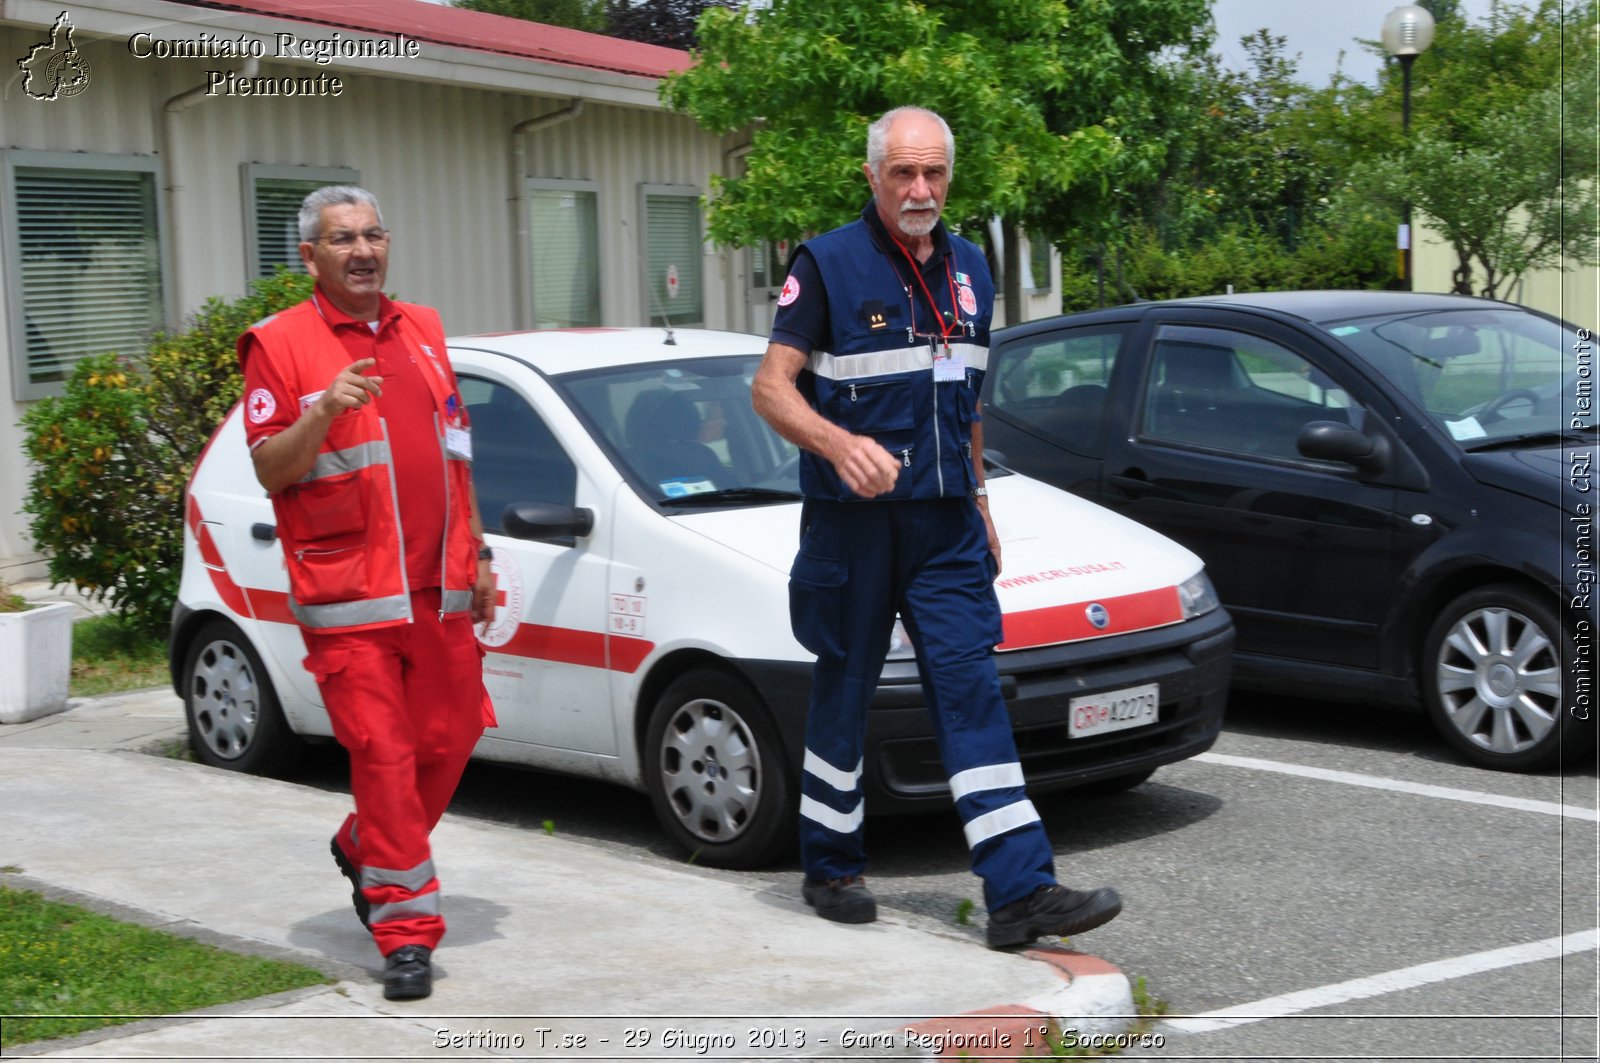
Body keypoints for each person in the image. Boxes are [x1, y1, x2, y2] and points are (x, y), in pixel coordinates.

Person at [752, 107, 1123, 949]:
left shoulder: (969, 268)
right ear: (873, 177)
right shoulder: (826, 264)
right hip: (854, 526)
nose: (920, 190)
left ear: (950, 178)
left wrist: (984, 501)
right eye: (902, 174)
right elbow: (770, 388)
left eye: (934, 175)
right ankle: (832, 863)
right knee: (844, 690)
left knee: (970, 689)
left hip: (950, 525)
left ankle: (1019, 891)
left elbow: (968, 399)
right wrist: (840, 444)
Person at [237, 186, 496, 999]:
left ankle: (366, 843)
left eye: (373, 234)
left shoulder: (422, 328)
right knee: (383, 756)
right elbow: (269, 466)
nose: (363, 250)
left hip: (440, 587)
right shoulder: (278, 345)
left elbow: (456, 448)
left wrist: (480, 552)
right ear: (309, 257)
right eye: (342, 238)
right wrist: (323, 414)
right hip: (350, 599)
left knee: (451, 739)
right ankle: (406, 930)